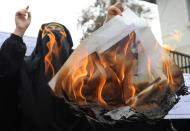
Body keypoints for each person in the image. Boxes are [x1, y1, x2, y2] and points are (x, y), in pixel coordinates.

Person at [0, 2, 125, 131]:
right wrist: (18, 31)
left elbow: (100, 63)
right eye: (48, 31)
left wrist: (109, 26)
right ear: (39, 42)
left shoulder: (79, 69)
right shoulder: (26, 68)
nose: (54, 34)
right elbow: (6, 70)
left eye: (60, 31)